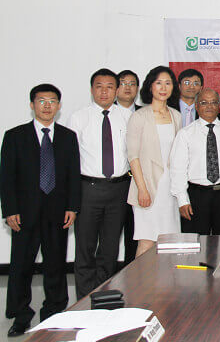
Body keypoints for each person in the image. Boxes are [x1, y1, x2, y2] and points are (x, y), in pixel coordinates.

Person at [0, 84, 80, 337]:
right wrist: (9, 210)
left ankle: (54, 311)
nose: (47, 105)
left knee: (55, 264)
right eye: (41, 100)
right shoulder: (15, 136)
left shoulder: (68, 136)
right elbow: (7, 177)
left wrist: (73, 206)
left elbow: (73, 175)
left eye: (52, 101)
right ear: (32, 104)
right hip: (24, 213)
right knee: (21, 265)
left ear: (59, 106)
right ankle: (20, 315)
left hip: (57, 212)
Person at [68, 69, 132, 299]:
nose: (104, 92)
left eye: (109, 87)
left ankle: (104, 297)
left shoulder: (127, 117)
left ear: (117, 90)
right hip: (88, 189)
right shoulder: (79, 118)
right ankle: (85, 300)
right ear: (91, 89)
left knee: (110, 248)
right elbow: (70, 159)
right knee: (85, 247)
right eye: (99, 86)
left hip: (119, 189)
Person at [126, 66, 182, 256]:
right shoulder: (139, 116)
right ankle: (140, 277)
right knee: (147, 241)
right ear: (150, 86)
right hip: (148, 187)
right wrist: (142, 189)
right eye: (158, 83)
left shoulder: (176, 116)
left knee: (170, 242)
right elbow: (133, 156)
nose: (163, 88)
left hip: (170, 190)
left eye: (168, 83)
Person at [170, 89, 220, 235]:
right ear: (196, 106)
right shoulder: (185, 134)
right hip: (196, 196)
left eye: (213, 102)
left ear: (219, 105)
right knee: (197, 242)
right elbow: (178, 170)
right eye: (204, 103)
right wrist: (183, 201)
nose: (209, 106)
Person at [115, 70, 140, 267]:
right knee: (111, 234)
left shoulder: (146, 113)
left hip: (140, 182)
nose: (128, 87)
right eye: (123, 83)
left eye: (132, 83)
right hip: (116, 182)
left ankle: (134, 273)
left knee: (136, 232)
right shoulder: (106, 114)